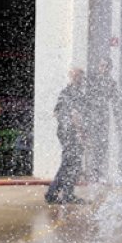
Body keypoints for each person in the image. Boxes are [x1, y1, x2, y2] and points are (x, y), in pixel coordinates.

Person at [46, 69, 87, 204]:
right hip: (70, 132)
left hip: (67, 131)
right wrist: (80, 132)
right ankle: (51, 194)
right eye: (79, 77)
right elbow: (73, 115)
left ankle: (68, 194)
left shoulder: (68, 92)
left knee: (73, 163)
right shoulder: (70, 93)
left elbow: (56, 112)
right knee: (68, 163)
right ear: (74, 78)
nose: (81, 80)